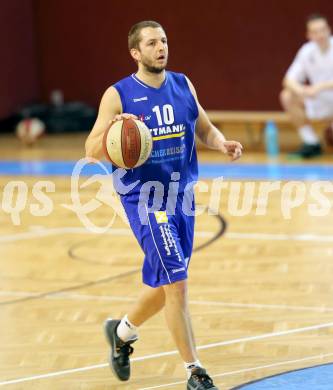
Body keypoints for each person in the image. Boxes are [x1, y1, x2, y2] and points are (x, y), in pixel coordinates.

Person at [85, 20, 242, 390]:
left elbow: (202, 127)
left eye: (165, 41)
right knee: (178, 284)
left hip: (182, 196)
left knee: (167, 282)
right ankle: (195, 372)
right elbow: (91, 150)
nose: (161, 47)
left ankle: (122, 333)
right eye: (152, 43)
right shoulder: (118, 94)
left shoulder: (183, 84)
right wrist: (113, 131)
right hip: (145, 199)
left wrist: (221, 143)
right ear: (135, 53)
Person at [280, 13, 333, 158]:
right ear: (309, 35)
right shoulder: (306, 51)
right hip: (318, 101)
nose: (320, 35)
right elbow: (288, 80)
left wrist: (320, 87)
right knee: (287, 96)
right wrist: (301, 90)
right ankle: (311, 143)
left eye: (323, 30)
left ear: (329, 30)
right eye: (315, 32)